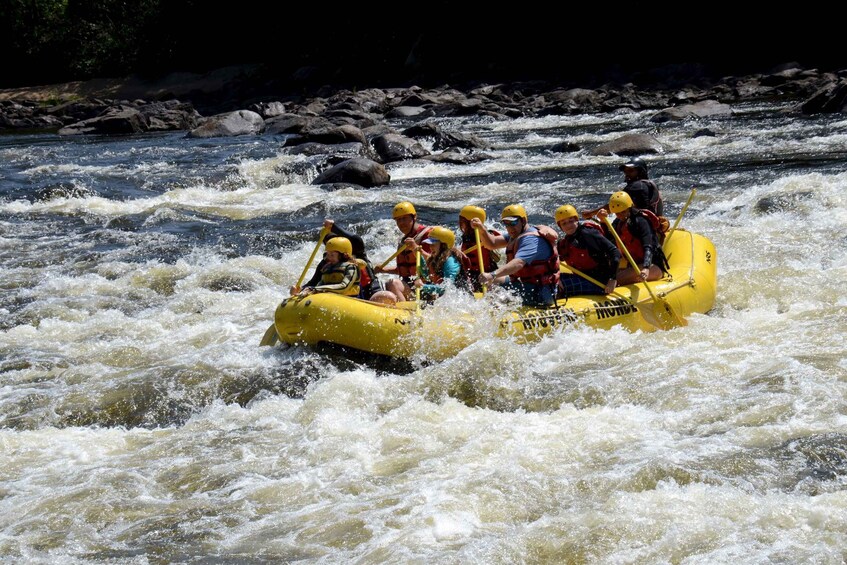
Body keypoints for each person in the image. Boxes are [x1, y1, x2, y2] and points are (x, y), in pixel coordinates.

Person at [473, 204, 560, 307]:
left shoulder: (532, 240)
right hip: (528, 284)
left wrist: (491, 274)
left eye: (513, 223)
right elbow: (491, 244)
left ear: (523, 221)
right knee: (493, 282)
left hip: (542, 292)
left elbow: (518, 264)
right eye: (506, 224)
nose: (509, 228)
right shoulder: (516, 235)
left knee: (498, 291)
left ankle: (497, 315)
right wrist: (482, 229)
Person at [290, 219, 382, 300]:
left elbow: (356, 239)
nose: (333, 244)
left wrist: (333, 227)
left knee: (383, 297)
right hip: (338, 298)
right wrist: (300, 290)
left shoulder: (356, 253)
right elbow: (314, 282)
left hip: (370, 291)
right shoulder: (326, 264)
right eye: (329, 242)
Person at [597, 191, 669, 285]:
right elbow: (610, 240)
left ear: (629, 208)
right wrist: (603, 222)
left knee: (611, 280)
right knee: (604, 276)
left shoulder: (641, 221)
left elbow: (648, 246)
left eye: (623, 212)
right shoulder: (619, 222)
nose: (620, 215)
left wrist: (646, 268)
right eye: (617, 213)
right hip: (634, 266)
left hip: (653, 266)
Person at [554, 204, 621, 297]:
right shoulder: (565, 242)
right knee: (551, 279)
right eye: (564, 223)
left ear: (577, 220)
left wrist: (612, 279)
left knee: (558, 286)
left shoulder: (588, 233)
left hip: (599, 282)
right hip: (582, 278)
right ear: (560, 226)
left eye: (571, 221)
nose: (568, 225)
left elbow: (615, 252)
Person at [374, 201, 433, 303]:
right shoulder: (403, 242)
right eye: (398, 220)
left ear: (414, 217)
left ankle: (405, 313)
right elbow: (404, 269)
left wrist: (416, 249)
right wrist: (384, 270)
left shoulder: (428, 235)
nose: (401, 223)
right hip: (410, 287)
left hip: (426, 288)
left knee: (393, 284)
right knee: (387, 288)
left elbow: (436, 263)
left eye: (404, 218)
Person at [582, 157, 664, 219]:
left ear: (640, 171)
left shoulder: (636, 187)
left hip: (642, 226)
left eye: (631, 171)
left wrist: (591, 213)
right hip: (654, 223)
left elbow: (615, 205)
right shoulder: (650, 184)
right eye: (626, 171)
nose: (627, 174)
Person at [411, 226, 471, 302]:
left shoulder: (451, 261)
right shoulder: (436, 258)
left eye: (433, 244)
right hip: (446, 298)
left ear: (443, 245)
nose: (430, 247)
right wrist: (419, 257)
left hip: (461, 300)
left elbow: (447, 288)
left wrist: (424, 286)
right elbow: (428, 277)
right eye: (430, 244)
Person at [295, 236, 360, 297]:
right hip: (330, 298)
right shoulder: (326, 268)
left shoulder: (351, 267)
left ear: (343, 255)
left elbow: (344, 286)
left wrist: (315, 289)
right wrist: (304, 290)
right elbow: (320, 285)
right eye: (328, 254)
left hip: (349, 299)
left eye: (332, 255)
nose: (329, 258)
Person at [458, 205, 500, 292]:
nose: (460, 224)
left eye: (462, 221)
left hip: (486, 273)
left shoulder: (485, 235)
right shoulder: (466, 237)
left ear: (470, 222)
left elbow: (496, 242)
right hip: (472, 274)